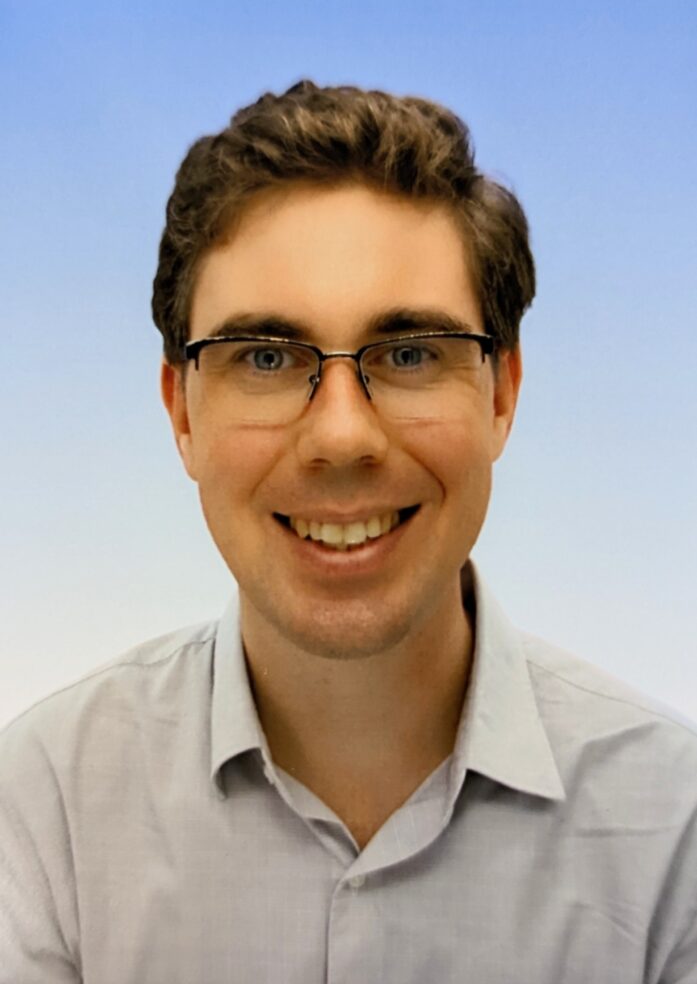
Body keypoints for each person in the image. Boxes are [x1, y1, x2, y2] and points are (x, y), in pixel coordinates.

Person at [1, 80, 695, 983]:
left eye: (408, 354)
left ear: (502, 392)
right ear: (181, 413)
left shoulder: (672, 832)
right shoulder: (41, 808)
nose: (340, 437)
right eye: (264, 357)